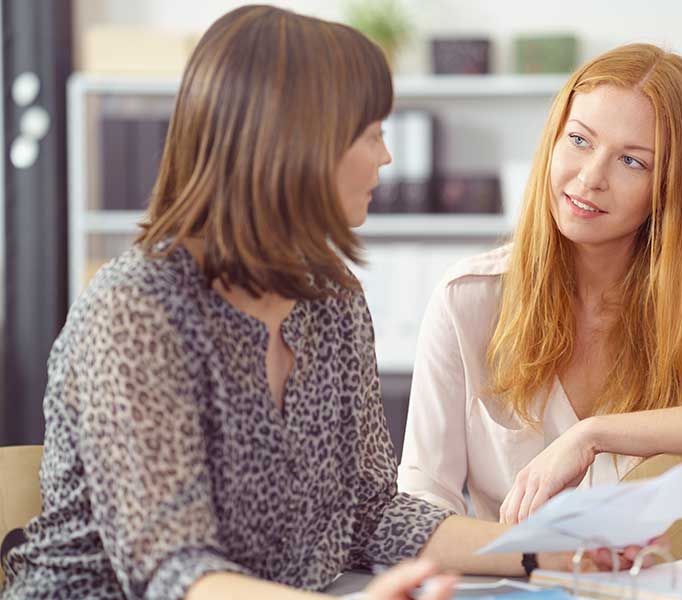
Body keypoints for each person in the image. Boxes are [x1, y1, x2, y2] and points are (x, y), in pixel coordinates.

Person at [0, 6, 645, 600]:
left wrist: (545, 550)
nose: (386, 156)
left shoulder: (331, 298)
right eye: (371, 134)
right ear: (296, 145)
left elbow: (370, 512)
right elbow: (173, 572)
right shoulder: (135, 310)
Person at [398, 43, 682, 525]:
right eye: (579, 140)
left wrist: (597, 435)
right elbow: (424, 502)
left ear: (670, 186)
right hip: (514, 571)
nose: (591, 177)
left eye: (632, 161)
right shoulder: (467, 298)